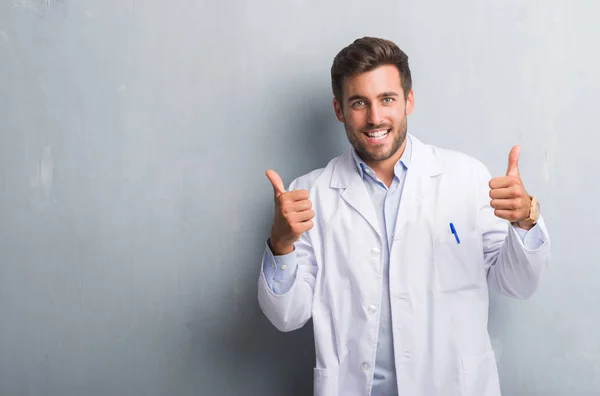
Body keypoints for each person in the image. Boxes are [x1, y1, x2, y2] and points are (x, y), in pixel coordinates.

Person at [257, 37, 550, 396]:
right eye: (359, 103)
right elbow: (287, 316)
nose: (375, 117)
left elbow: (519, 284)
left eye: (387, 99)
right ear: (339, 110)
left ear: (408, 100)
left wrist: (525, 221)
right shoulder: (310, 195)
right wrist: (281, 242)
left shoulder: (465, 177)